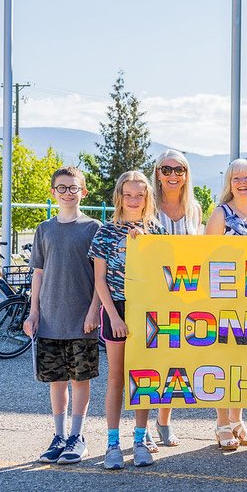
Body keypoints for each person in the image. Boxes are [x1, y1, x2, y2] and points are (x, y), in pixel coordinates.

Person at [22, 167, 101, 465]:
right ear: (53, 192)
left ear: (83, 192)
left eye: (74, 188)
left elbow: (99, 276)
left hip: (82, 319)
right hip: (51, 319)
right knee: (57, 380)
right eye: (62, 188)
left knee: (80, 379)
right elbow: (38, 275)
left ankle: (77, 436)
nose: (68, 192)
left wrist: (95, 309)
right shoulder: (45, 229)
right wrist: (34, 313)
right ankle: (59, 435)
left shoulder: (93, 228)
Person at [89, 171, 166, 469]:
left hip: (146, 309)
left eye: (140, 195)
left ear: (147, 198)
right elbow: (99, 281)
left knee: (143, 376)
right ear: (119, 196)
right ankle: (112, 443)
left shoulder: (157, 231)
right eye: (129, 194)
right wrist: (112, 316)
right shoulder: (106, 233)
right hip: (117, 309)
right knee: (117, 377)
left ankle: (139, 438)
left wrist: (146, 246)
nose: (134, 200)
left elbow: (164, 275)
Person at [205, 158, 247, 451]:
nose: (242, 182)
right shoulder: (221, 214)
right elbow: (205, 258)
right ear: (229, 183)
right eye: (236, 178)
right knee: (225, 361)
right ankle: (222, 423)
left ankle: (237, 420)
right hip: (225, 300)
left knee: (246, 363)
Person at [149, 149, 202, 448]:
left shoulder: (194, 208)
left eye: (178, 169)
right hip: (153, 295)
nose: (172, 175)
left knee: (175, 363)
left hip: (185, 298)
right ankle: (142, 426)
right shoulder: (147, 206)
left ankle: (164, 419)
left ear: (186, 174)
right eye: (166, 169)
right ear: (158, 173)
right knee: (148, 361)